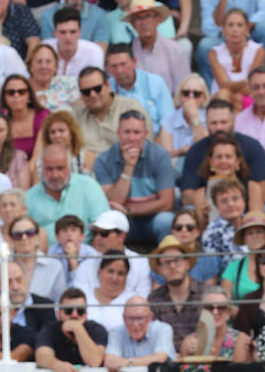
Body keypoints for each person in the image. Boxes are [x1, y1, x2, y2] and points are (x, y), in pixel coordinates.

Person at [93, 110, 175, 244]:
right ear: (118, 133)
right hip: (121, 220)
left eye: (137, 132)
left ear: (145, 134)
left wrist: (129, 210)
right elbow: (113, 201)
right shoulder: (103, 160)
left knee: (166, 221)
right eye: (127, 132)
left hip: (152, 218)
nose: (132, 138)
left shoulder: (160, 156)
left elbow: (167, 203)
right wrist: (128, 167)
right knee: (106, 224)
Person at [26, 147, 109, 234]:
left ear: (70, 167)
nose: (55, 175)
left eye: (60, 168)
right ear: (42, 169)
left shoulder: (88, 186)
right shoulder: (30, 197)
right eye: (49, 169)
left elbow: (104, 225)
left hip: (83, 246)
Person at [73, 65, 152, 155]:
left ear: (108, 85)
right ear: (81, 94)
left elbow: (147, 146)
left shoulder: (130, 107)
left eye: (97, 89)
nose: (92, 95)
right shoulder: (76, 117)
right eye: (86, 91)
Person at [124, 0, 190, 95]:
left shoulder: (176, 50)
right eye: (138, 18)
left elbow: (183, 92)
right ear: (133, 24)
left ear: (157, 19)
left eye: (148, 16)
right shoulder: (127, 52)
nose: (144, 22)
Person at [34, 289, 108, 372]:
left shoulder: (96, 329)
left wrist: (77, 328)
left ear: (86, 314)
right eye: (68, 310)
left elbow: (95, 361)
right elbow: (42, 356)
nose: (74, 314)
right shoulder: (49, 329)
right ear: (59, 314)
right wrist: (57, 365)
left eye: (80, 311)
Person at [148, 235, 204, 342]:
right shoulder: (154, 299)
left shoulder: (207, 293)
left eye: (177, 260)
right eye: (167, 262)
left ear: (187, 263)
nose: (172, 266)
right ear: (159, 269)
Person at [208, 7, 265, 109]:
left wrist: (231, 89)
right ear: (224, 30)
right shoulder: (214, 53)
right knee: (223, 94)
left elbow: (252, 85)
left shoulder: (258, 51)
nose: (235, 29)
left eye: (239, 25)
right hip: (221, 97)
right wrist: (244, 82)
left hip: (247, 99)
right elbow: (222, 84)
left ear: (247, 29)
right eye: (230, 25)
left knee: (227, 94)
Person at [105, 294, 175, 368]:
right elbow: (110, 362)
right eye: (130, 318)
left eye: (140, 318)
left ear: (150, 318)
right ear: (124, 319)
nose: (135, 324)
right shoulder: (116, 333)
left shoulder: (163, 329)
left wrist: (127, 362)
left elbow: (160, 358)